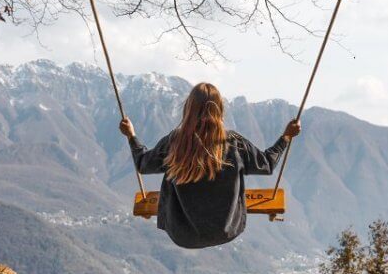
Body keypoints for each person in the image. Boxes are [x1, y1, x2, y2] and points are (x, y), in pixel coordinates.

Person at [119, 82, 301, 249]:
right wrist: (286, 137)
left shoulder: (174, 142)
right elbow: (266, 164)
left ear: (188, 109)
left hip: (182, 235)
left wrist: (131, 136)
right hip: (226, 231)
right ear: (220, 109)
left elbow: (143, 164)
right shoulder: (233, 143)